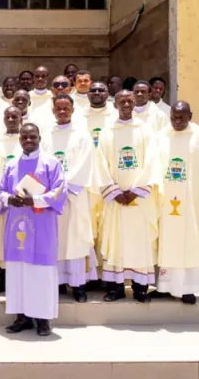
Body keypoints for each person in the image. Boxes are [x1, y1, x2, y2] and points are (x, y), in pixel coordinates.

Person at [0, 123, 66, 336]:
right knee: (19, 272)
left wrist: (34, 200)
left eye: (32, 137)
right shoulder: (11, 165)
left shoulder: (51, 163)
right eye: (24, 137)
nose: (29, 141)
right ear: (19, 139)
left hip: (41, 226)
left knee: (40, 273)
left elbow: (59, 191)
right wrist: (9, 198)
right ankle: (22, 317)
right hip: (17, 226)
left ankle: (43, 319)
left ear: (39, 137)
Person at [97, 90, 157, 303]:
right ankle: (116, 288)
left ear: (135, 103)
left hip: (138, 201)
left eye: (129, 101)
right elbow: (100, 163)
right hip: (117, 201)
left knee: (140, 244)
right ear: (115, 105)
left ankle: (140, 288)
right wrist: (114, 191)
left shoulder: (146, 131)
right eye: (121, 101)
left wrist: (135, 191)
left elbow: (152, 161)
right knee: (116, 243)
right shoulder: (107, 132)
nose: (125, 104)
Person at [41, 95, 96, 302]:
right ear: (53, 110)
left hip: (74, 197)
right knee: (55, 241)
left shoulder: (82, 136)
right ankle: (58, 283)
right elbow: (42, 166)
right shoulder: (46, 136)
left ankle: (79, 286)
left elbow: (85, 165)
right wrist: (53, 190)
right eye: (58, 109)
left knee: (75, 239)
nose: (62, 112)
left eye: (66, 108)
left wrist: (61, 186)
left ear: (73, 110)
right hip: (52, 200)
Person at [152, 101, 199, 304]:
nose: (177, 121)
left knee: (189, 241)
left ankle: (188, 288)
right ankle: (164, 286)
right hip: (166, 197)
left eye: (181, 117)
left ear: (190, 115)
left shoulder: (197, 136)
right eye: (173, 117)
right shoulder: (162, 136)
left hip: (191, 199)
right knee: (166, 240)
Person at [81, 82, 117, 256]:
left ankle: (109, 273)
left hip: (110, 177)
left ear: (108, 93)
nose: (96, 93)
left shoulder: (116, 116)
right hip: (87, 179)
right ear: (87, 94)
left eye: (100, 90)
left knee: (109, 224)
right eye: (93, 90)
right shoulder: (79, 117)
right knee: (88, 224)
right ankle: (90, 272)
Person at [0, 106, 23, 293]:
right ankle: (3, 278)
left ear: (21, 118)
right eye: (8, 116)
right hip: (3, 199)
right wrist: (2, 195)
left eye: (15, 116)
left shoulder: (27, 140)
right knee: (2, 239)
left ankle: (20, 277)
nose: (11, 119)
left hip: (23, 201)